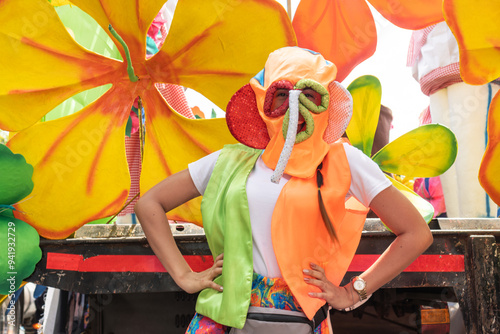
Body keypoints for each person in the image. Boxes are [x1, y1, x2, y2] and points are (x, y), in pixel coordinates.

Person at [135, 47, 433, 334]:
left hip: (302, 320)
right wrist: (184, 276)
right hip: (222, 319)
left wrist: (354, 292)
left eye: (309, 95)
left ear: (326, 100)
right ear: (263, 100)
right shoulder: (230, 160)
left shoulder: (343, 160)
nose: (295, 106)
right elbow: (149, 204)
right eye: (282, 94)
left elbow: (415, 232)